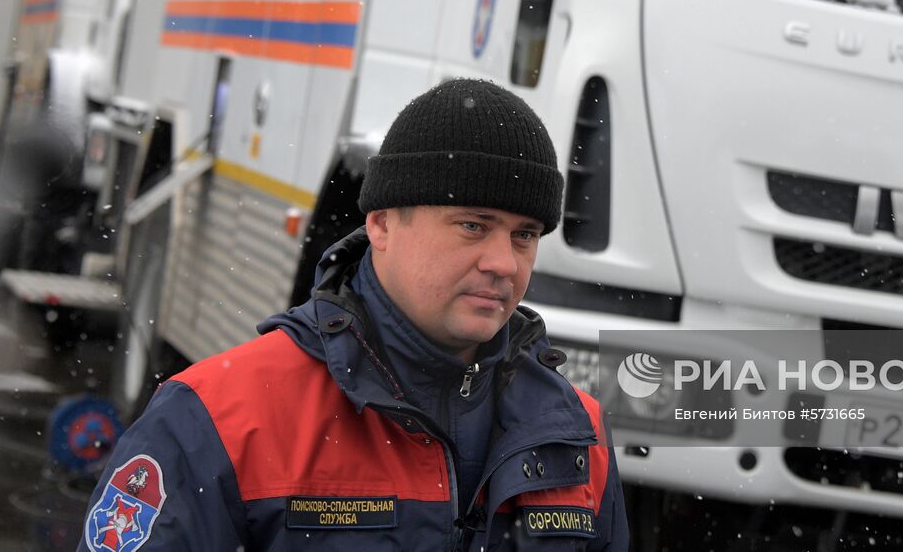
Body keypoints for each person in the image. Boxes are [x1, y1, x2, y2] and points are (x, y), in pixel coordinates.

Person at [80, 79, 628, 550]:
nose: (503, 263)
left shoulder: (577, 438)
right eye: (473, 226)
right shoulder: (218, 420)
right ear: (382, 225)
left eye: (525, 236)